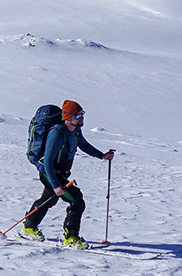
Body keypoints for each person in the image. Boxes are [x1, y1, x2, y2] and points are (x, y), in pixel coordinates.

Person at [21, 100, 114, 248]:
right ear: (68, 118)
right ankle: (71, 237)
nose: (82, 118)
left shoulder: (75, 131)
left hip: (62, 174)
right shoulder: (56, 134)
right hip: (50, 173)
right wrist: (56, 185)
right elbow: (48, 162)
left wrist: (101, 156)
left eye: (82, 114)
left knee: (49, 200)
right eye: (78, 116)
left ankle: (29, 227)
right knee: (77, 200)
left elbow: (83, 145)